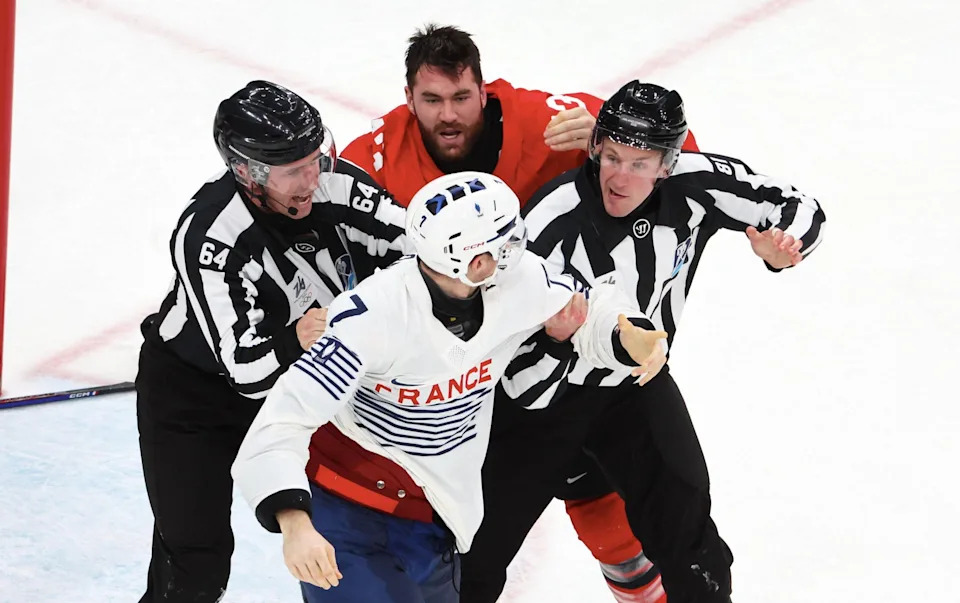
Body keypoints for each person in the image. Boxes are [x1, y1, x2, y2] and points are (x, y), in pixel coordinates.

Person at [341, 24, 701, 602]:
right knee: (469, 551)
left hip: (568, 354)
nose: (449, 115)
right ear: (407, 98)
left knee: (613, 528)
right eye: (431, 99)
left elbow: (676, 152)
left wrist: (607, 137)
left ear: (484, 91)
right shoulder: (371, 159)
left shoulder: (545, 121)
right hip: (465, 386)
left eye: (462, 97)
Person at [459, 81, 826, 603]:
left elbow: (796, 206)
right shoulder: (551, 219)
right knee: (474, 556)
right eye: (611, 157)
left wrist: (784, 245)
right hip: (540, 403)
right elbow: (509, 360)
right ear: (595, 149)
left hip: (635, 389)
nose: (619, 177)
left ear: (667, 164)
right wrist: (565, 343)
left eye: (639, 163)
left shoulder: (694, 184)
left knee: (691, 540)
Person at [230, 170, 671, 603]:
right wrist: (294, 521)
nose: (518, 249)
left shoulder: (516, 281)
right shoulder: (372, 319)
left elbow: (584, 306)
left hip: (432, 512)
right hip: (346, 513)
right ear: (475, 263)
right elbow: (281, 421)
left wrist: (625, 334)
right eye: (506, 243)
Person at [135, 80, 412, 603]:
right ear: (248, 172)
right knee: (195, 563)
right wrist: (297, 340)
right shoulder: (211, 234)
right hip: (194, 399)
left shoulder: (335, 183)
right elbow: (247, 371)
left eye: (315, 161)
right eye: (293, 171)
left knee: (354, 527)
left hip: (303, 378)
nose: (312, 180)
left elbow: (418, 248)